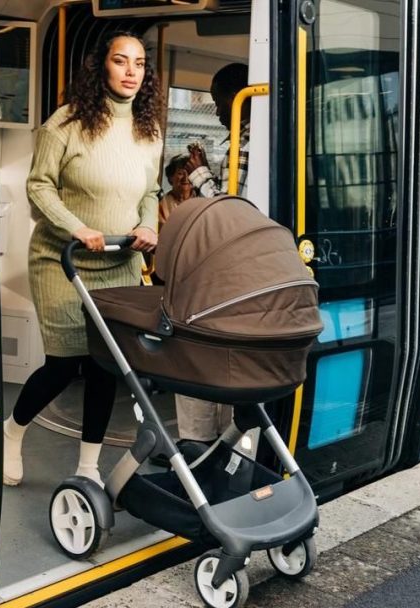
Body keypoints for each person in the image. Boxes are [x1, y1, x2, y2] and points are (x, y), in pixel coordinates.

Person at [2, 32, 165, 488]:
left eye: (139, 63)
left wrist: (148, 227)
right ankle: (13, 432)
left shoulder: (148, 131)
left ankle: (87, 467)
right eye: (121, 61)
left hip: (120, 262)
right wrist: (77, 228)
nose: (132, 71)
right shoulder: (65, 124)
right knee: (64, 365)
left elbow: (151, 192)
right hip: (64, 259)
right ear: (103, 68)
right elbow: (39, 187)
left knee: (103, 366)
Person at [170, 63, 252, 446]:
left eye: (220, 103)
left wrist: (201, 175)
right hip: (243, 274)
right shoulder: (245, 143)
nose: (218, 112)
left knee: (193, 354)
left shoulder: (248, 147)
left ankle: (196, 445)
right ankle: (221, 445)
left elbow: (232, 214)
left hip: (230, 274)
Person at [184, 62, 250, 198]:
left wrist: (199, 173)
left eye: (219, 103)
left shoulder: (244, 143)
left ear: (235, 99)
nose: (218, 112)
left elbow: (227, 209)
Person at [158, 153, 195, 226]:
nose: (186, 178)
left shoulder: (201, 202)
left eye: (190, 173)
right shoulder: (161, 205)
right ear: (171, 177)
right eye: (180, 173)